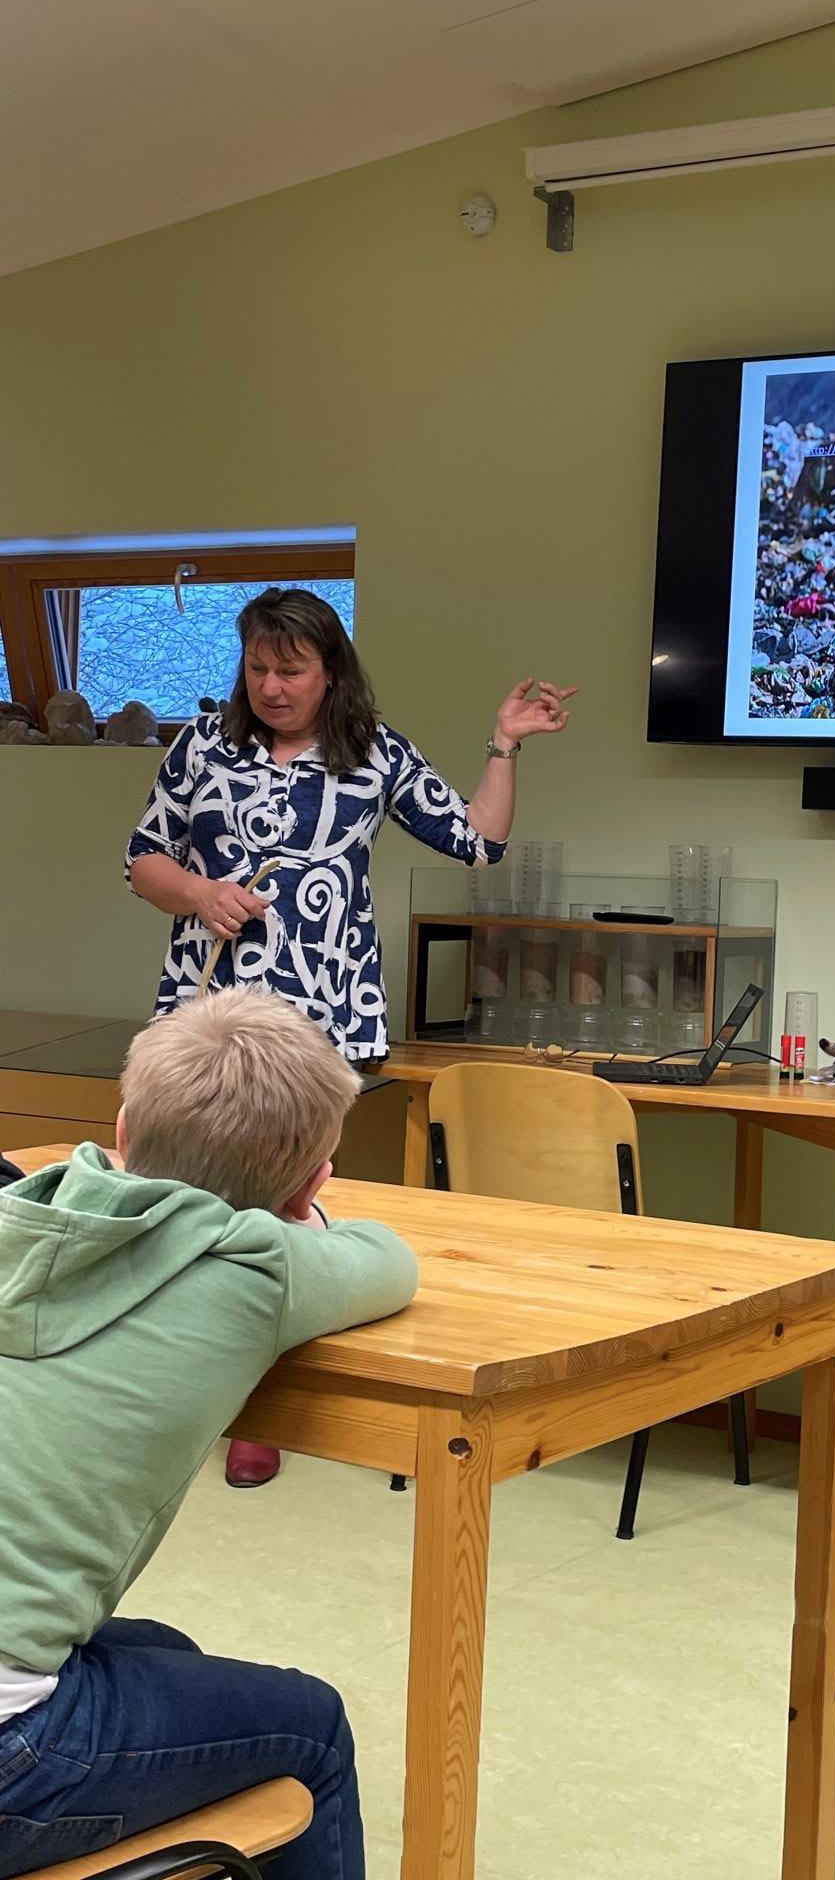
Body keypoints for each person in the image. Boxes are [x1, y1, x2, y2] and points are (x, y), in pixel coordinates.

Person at [124, 586, 573, 1487]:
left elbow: (477, 841)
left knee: (280, 1200)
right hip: (210, 1006)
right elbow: (143, 859)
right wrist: (201, 893)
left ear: (331, 672)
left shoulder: (373, 751)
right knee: (184, 1191)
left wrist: (504, 744)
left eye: (290, 670)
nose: (271, 686)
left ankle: (262, 1402)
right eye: (258, 668)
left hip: (320, 1006)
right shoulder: (202, 745)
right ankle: (167, 1381)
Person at [0, 990, 418, 1879]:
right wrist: (298, 1224)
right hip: (12, 1754)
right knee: (313, 1726)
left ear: (122, 1127)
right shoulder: (251, 1265)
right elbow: (389, 1262)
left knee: (169, 1654)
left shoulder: (21, 1213)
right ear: (310, 1186)